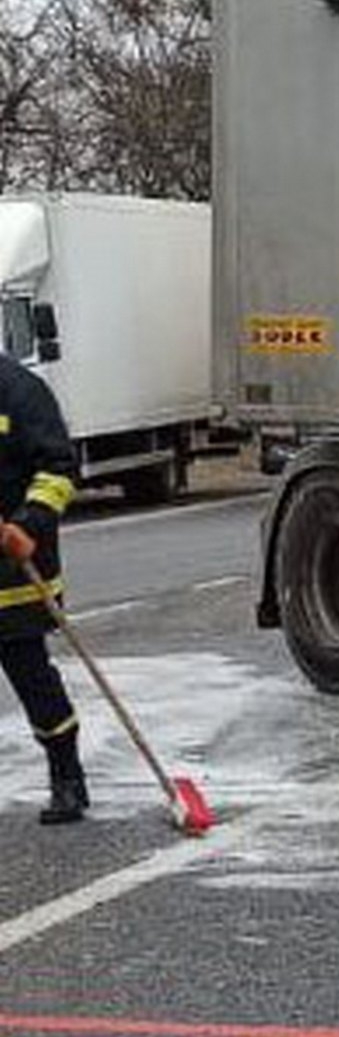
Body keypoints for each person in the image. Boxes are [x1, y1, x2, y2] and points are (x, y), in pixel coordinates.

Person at [0, 352, 86, 825]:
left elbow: (57, 469)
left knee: (32, 678)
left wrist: (27, 525)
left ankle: (67, 777)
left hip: (14, 571)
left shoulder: (19, 391)